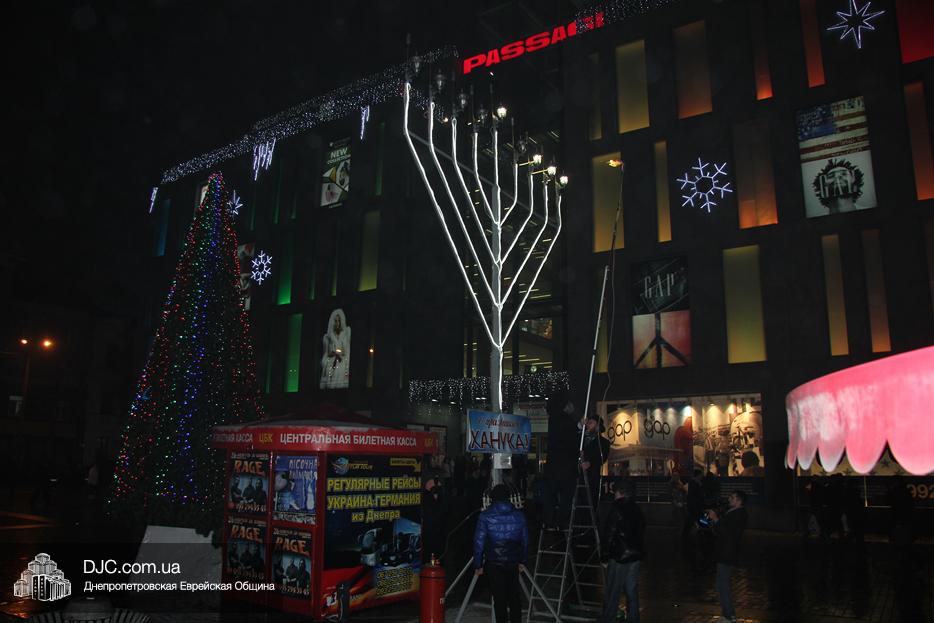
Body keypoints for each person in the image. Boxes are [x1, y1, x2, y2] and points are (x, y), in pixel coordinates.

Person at [473, 484, 528, 623]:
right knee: (514, 597)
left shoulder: (485, 515)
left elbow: (479, 542)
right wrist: (522, 561)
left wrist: (478, 565)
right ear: (508, 497)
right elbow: (525, 541)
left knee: (499, 600)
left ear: (492, 498)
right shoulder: (519, 515)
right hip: (513, 561)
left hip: (494, 561)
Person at [599, 479, 645, 623]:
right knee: (631, 590)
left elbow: (609, 533)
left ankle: (608, 619)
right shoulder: (636, 508)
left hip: (619, 555)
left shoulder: (616, 508)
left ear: (619, 492)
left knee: (613, 591)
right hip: (635, 555)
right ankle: (633, 618)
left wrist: (604, 556)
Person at [707, 490, 748, 623]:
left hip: (727, 552)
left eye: (732, 497)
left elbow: (727, 533)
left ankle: (729, 616)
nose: (729, 499)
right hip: (725, 551)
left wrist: (716, 519)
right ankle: (727, 614)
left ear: (739, 501)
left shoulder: (738, 514)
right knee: (720, 584)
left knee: (722, 585)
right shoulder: (733, 512)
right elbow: (721, 530)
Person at [543, 389, 579, 528]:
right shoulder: (564, 420)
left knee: (551, 495)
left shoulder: (554, 419)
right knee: (566, 496)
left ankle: (549, 520)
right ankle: (560, 521)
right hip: (565, 467)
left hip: (554, 466)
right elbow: (569, 438)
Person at [580, 415, 610, 508]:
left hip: (592, 477)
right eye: (588, 423)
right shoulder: (581, 438)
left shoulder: (604, 442)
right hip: (578, 476)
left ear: (598, 426)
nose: (588, 425)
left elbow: (602, 458)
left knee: (591, 501)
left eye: (591, 423)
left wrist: (590, 463)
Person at [320, 308, 351, 389]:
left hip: (342, 362)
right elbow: (326, 354)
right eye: (336, 321)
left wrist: (341, 355)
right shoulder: (328, 337)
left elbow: (347, 352)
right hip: (331, 364)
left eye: (339, 321)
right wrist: (331, 355)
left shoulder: (345, 335)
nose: (337, 323)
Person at [422, 477, 447, 562]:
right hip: (430, 530)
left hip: (438, 530)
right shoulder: (426, 498)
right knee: (429, 550)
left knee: (437, 551)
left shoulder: (442, 499)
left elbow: (445, 512)